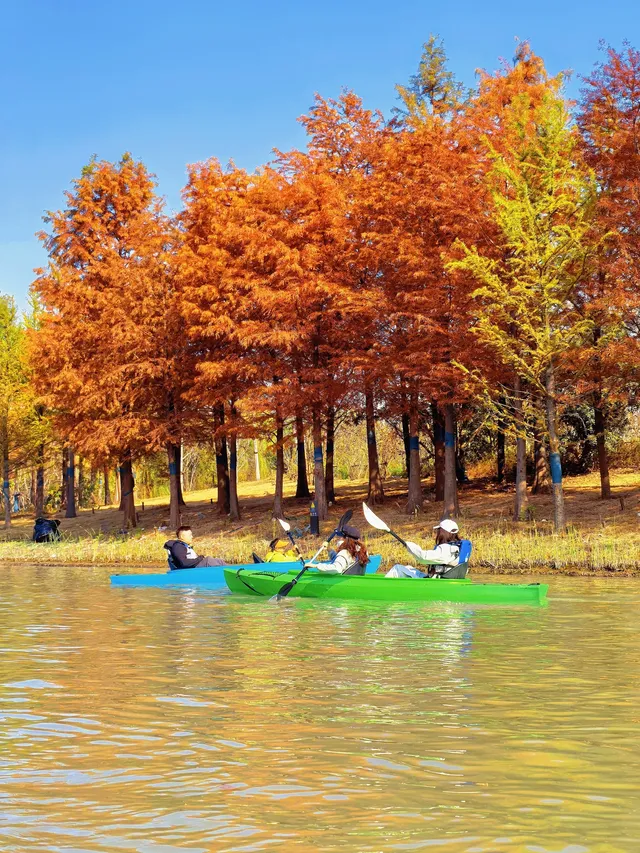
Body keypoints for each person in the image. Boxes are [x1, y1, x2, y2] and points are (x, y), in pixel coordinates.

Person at [385, 519, 462, 578]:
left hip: (435, 582)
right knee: (408, 568)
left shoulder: (446, 549)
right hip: (438, 578)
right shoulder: (454, 547)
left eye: (439, 530)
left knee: (397, 569)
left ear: (443, 532)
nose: (437, 533)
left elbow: (423, 557)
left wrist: (409, 545)